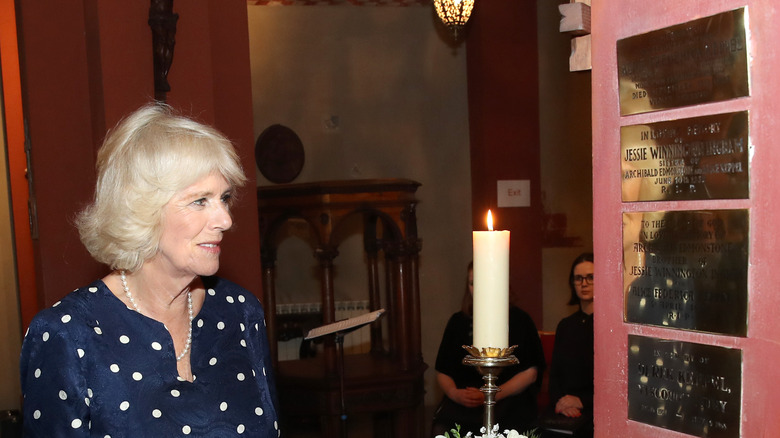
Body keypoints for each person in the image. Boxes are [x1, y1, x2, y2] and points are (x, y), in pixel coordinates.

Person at [19, 103, 281, 437]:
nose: (225, 220)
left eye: (224, 198)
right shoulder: (66, 335)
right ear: (141, 210)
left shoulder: (241, 312)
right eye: (200, 201)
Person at [431, 262, 546, 437]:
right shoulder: (457, 322)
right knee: (443, 428)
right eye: (472, 283)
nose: (477, 288)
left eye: (483, 280)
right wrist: (455, 394)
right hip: (464, 403)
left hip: (508, 401)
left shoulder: (520, 320)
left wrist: (491, 396)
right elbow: (442, 371)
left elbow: (530, 372)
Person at [542, 252, 594, 438]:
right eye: (578, 278)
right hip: (563, 409)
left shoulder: (609, 326)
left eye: (591, 277)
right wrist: (561, 403)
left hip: (594, 410)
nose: (584, 283)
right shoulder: (566, 325)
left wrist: (582, 401)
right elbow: (555, 375)